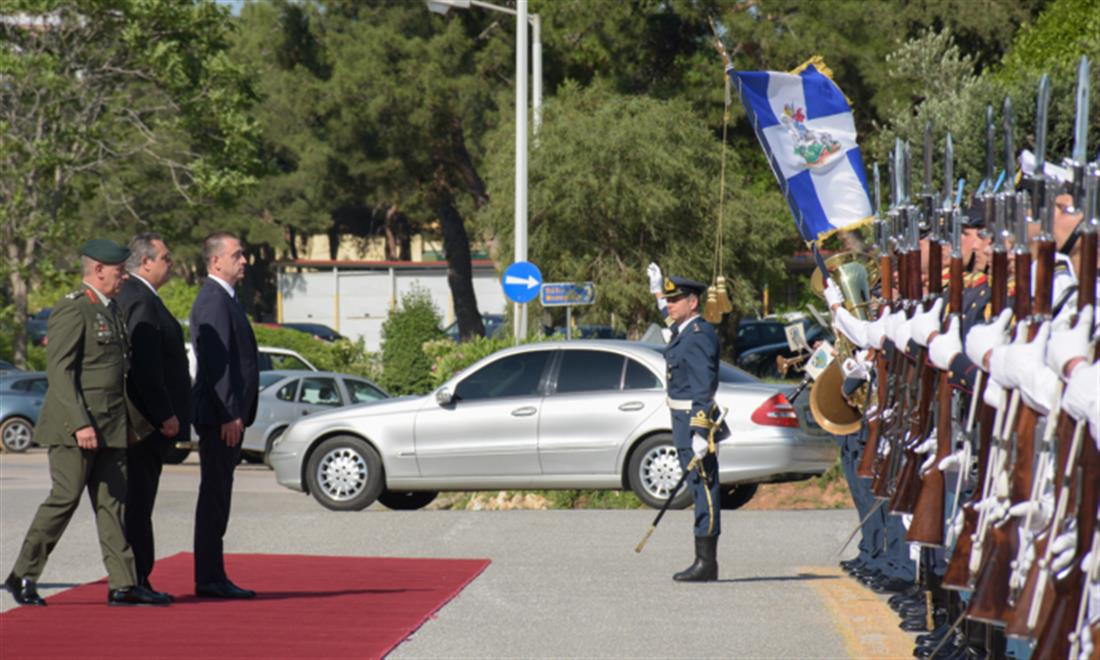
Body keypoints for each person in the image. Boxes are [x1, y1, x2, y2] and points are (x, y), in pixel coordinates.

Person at [4, 240, 170, 607]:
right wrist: (81, 423)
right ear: (98, 270)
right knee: (64, 500)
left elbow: (115, 376)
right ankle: (23, 575)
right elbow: (60, 372)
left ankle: (123, 583)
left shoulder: (110, 310)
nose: (123, 276)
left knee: (114, 505)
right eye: (118, 270)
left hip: (111, 426)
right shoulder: (74, 308)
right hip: (74, 427)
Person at [115, 233, 190, 601]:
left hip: (141, 424)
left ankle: (131, 579)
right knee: (138, 505)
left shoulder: (134, 296)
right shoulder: (141, 301)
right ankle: (136, 581)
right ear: (145, 262)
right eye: (165, 256)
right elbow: (145, 368)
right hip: (144, 427)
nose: (170, 262)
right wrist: (165, 415)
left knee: (135, 504)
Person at [190, 231, 259, 599]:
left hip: (227, 415)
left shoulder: (226, 298)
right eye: (237, 255)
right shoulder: (214, 300)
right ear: (216, 261)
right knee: (214, 496)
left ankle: (213, 574)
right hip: (221, 417)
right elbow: (216, 365)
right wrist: (229, 412)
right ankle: (209, 578)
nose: (244, 260)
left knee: (220, 495)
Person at [650, 270, 724, 582]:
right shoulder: (687, 330)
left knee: (703, 487)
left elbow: (702, 387)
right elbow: (672, 329)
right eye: (667, 299)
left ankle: (706, 562)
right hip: (680, 420)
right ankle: (703, 559)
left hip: (693, 422)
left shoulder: (698, 336)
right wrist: (657, 294)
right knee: (697, 485)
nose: (669, 305)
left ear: (692, 302)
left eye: (675, 300)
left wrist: (698, 429)